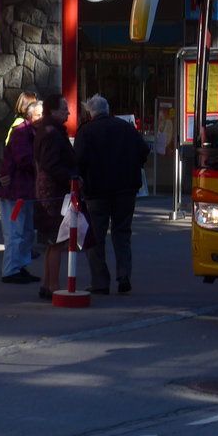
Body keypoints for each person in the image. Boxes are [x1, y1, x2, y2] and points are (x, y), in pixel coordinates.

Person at [74, 95, 150, 294]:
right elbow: (144, 150)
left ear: (90, 112)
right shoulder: (125, 127)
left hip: (97, 192)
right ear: (107, 109)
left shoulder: (86, 131)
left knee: (95, 237)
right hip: (126, 190)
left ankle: (100, 282)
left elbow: (78, 161)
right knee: (122, 233)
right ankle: (124, 274)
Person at [34, 93, 76, 300]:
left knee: (52, 242)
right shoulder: (52, 133)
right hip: (53, 193)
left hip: (47, 191)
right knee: (57, 241)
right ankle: (53, 286)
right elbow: (51, 165)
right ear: (52, 110)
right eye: (63, 108)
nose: (67, 112)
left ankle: (47, 283)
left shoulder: (46, 130)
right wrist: (71, 178)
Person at [0, 99, 42, 284]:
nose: (42, 118)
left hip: (25, 189)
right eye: (39, 114)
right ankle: (11, 270)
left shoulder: (33, 132)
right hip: (15, 190)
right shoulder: (21, 132)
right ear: (30, 115)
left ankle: (20, 266)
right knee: (15, 231)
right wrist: (42, 165)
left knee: (26, 231)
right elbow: (23, 159)